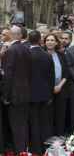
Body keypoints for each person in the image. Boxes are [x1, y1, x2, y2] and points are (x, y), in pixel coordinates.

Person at [2, 25, 31, 154]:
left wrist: (6, 96)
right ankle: (24, 148)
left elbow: (8, 75)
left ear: (13, 35)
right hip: (25, 93)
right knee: (23, 124)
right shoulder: (26, 49)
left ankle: (20, 151)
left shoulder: (11, 50)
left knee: (16, 125)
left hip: (14, 95)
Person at [28, 30, 55, 154]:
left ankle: (35, 148)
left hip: (30, 95)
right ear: (40, 40)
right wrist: (50, 93)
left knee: (33, 122)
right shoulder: (47, 56)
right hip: (45, 94)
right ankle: (45, 147)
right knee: (44, 122)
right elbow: (51, 77)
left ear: (29, 40)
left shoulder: (27, 54)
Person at [44, 34, 69, 136]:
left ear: (56, 42)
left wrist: (59, 86)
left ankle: (59, 137)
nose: (50, 42)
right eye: (48, 40)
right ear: (45, 42)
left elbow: (66, 73)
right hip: (46, 91)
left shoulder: (61, 55)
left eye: (52, 40)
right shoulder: (42, 54)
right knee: (47, 116)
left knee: (60, 116)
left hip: (60, 89)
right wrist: (51, 87)